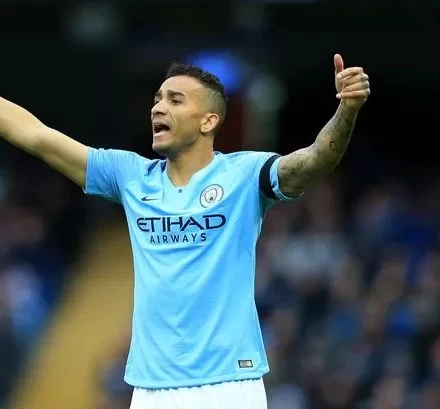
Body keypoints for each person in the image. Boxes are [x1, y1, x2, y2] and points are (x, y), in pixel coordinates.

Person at [0, 53, 370, 409]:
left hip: (228, 385)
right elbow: (36, 135)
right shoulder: (130, 176)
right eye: (157, 99)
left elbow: (316, 159)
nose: (158, 108)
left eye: (175, 100)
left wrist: (347, 110)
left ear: (208, 121)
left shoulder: (244, 175)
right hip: (151, 389)